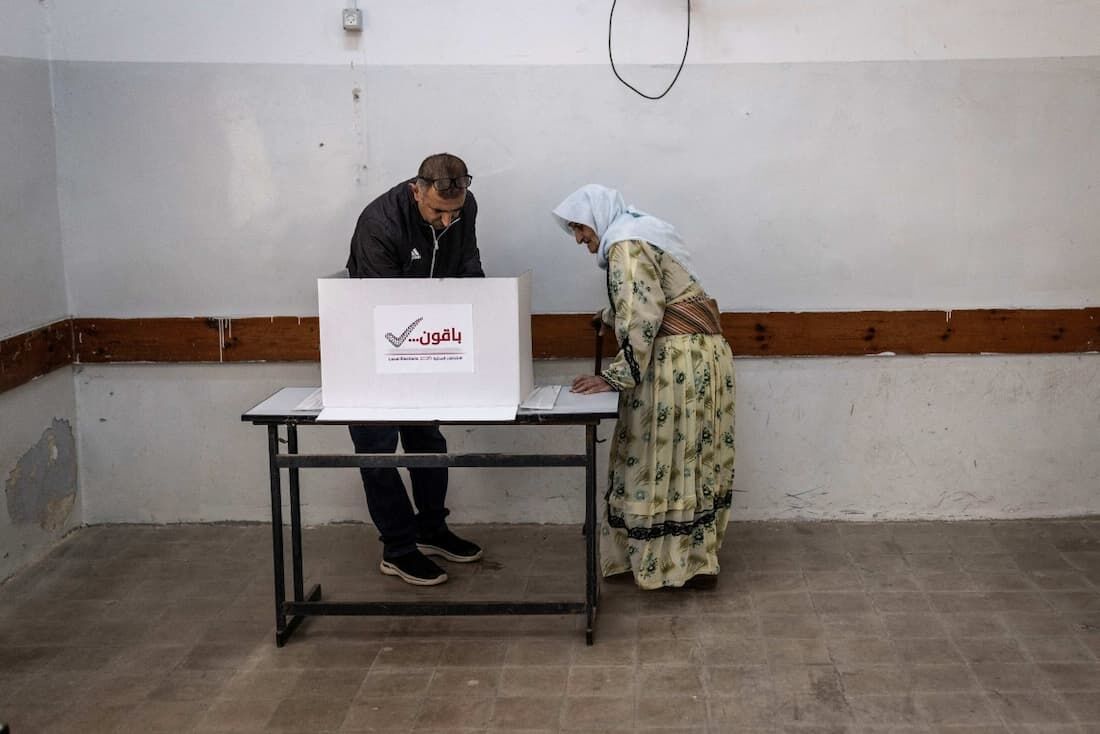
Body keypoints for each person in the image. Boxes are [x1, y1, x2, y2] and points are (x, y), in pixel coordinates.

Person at [552, 184, 736, 590]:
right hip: (699, 356)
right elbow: (660, 295)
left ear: (599, 217)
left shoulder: (627, 244)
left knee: (658, 453)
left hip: (677, 365)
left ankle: (667, 564)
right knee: (686, 457)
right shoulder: (642, 232)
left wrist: (613, 377)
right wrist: (609, 314)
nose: (579, 238)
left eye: (580, 227)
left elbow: (642, 315)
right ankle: (690, 558)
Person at [346, 153, 484, 586]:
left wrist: (482, 315)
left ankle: (431, 529)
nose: (447, 221)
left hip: (425, 345)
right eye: (437, 212)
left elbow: (468, 264)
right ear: (416, 191)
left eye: (454, 213)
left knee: (427, 439)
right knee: (378, 450)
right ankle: (399, 549)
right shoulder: (379, 223)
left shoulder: (464, 206)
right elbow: (386, 305)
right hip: (372, 349)